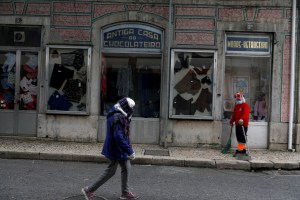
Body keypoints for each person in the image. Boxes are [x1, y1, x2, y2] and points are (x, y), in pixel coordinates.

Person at [82, 97, 138, 200]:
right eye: (132, 108)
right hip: (116, 149)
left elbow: (124, 135)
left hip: (118, 148)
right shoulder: (118, 117)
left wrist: (129, 150)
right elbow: (119, 136)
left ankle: (125, 192)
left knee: (126, 167)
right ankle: (89, 190)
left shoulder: (118, 115)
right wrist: (129, 151)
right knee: (111, 171)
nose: (132, 110)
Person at [229, 92, 250, 156]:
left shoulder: (245, 105)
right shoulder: (236, 106)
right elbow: (234, 115)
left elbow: (245, 114)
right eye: (237, 99)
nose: (238, 100)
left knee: (242, 137)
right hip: (237, 124)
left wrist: (242, 119)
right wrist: (231, 121)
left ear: (242, 98)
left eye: (239, 99)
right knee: (238, 136)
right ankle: (242, 150)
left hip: (243, 124)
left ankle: (240, 150)